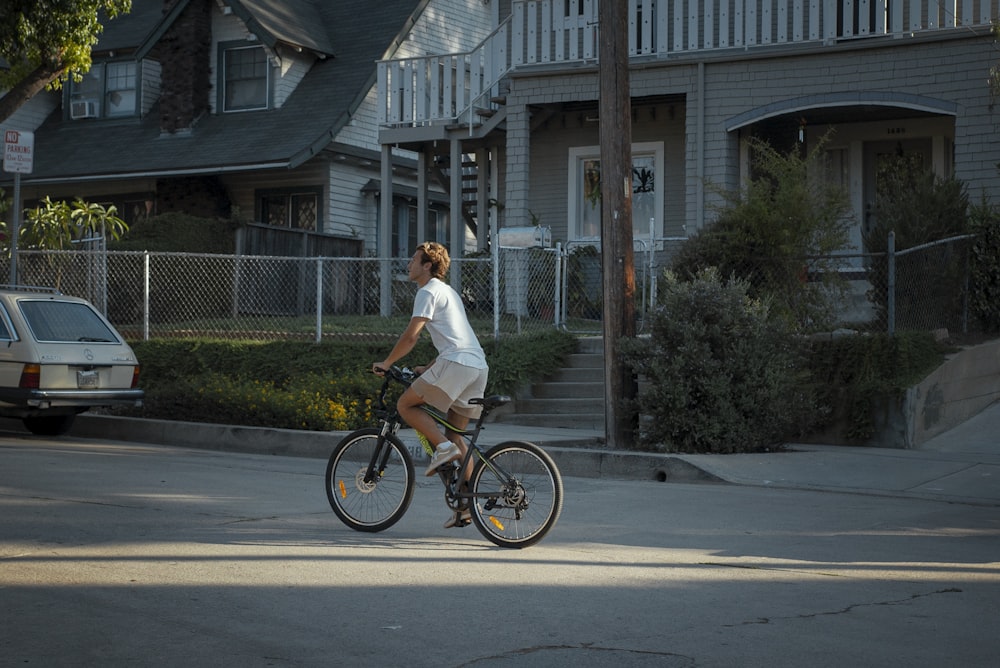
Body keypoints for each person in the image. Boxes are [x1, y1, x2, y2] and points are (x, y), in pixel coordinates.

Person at [373, 242, 489, 529]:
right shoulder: (448, 292)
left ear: (427, 266)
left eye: (414, 260)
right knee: (456, 435)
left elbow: (411, 337)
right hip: (477, 366)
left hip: (457, 364)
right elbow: (455, 339)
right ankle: (466, 506)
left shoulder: (426, 291)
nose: (409, 264)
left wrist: (387, 363)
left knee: (404, 404)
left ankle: (442, 449)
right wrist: (430, 367)